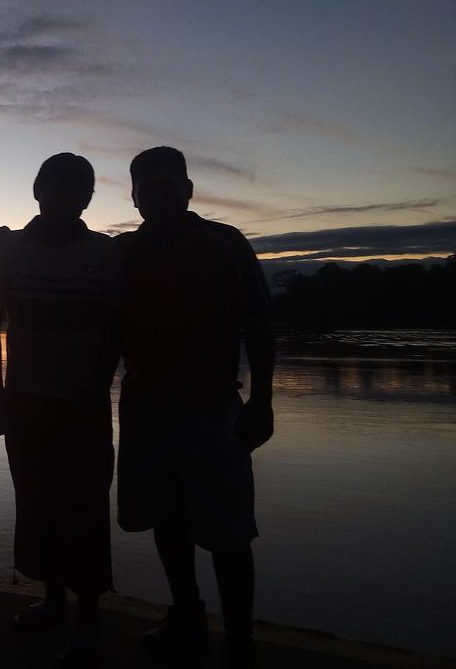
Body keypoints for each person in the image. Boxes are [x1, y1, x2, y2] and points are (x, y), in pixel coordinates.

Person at [115, 146, 275, 669]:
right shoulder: (122, 253)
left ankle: (240, 643)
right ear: (134, 197)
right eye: (146, 187)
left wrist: (263, 401)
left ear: (188, 190)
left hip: (213, 409)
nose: (158, 195)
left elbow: (258, 322)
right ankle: (186, 616)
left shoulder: (225, 243)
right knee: (167, 518)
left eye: (169, 185)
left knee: (229, 531)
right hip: (144, 409)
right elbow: (101, 329)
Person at [0, 152, 120, 667]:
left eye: (79, 192)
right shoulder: (10, 252)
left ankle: (88, 622)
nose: (68, 200)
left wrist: (97, 385)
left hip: (84, 406)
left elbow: (115, 330)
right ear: (39, 191)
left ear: (88, 199)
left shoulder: (103, 254)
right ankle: (53, 603)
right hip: (26, 403)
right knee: (37, 503)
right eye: (58, 189)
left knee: (85, 509)